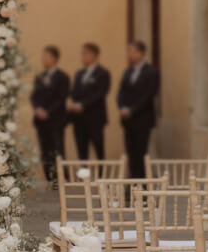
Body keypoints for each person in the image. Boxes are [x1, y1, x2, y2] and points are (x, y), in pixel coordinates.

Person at [117, 40, 160, 178]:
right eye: (128, 51)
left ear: (141, 53)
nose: (129, 54)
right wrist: (122, 107)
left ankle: (142, 183)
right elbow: (121, 92)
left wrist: (132, 110)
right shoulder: (128, 71)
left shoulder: (151, 72)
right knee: (131, 153)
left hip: (142, 119)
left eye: (132, 51)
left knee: (141, 152)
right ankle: (133, 181)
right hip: (128, 120)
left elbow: (149, 94)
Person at [30, 45, 70, 184]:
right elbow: (34, 96)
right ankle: (49, 178)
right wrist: (37, 109)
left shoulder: (63, 77)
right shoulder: (40, 76)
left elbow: (61, 98)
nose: (43, 59)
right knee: (45, 151)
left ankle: (61, 179)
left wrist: (48, 111)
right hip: (41, 121)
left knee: (57, 150)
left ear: (54, 58)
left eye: (46, 56)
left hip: (56, 120)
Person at [67, 42, 111, 161]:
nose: (83, 56)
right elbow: (74, 92)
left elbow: (101, 93)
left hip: (95, 118)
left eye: (86, 54)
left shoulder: (103, 73)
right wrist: (72, 103)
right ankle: (84, 177)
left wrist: (83, 104)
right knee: (82, 151)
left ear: (95, 56)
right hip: (79, 118)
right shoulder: (79, 74)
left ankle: (101, 177)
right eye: (82, 54)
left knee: (98, 149)